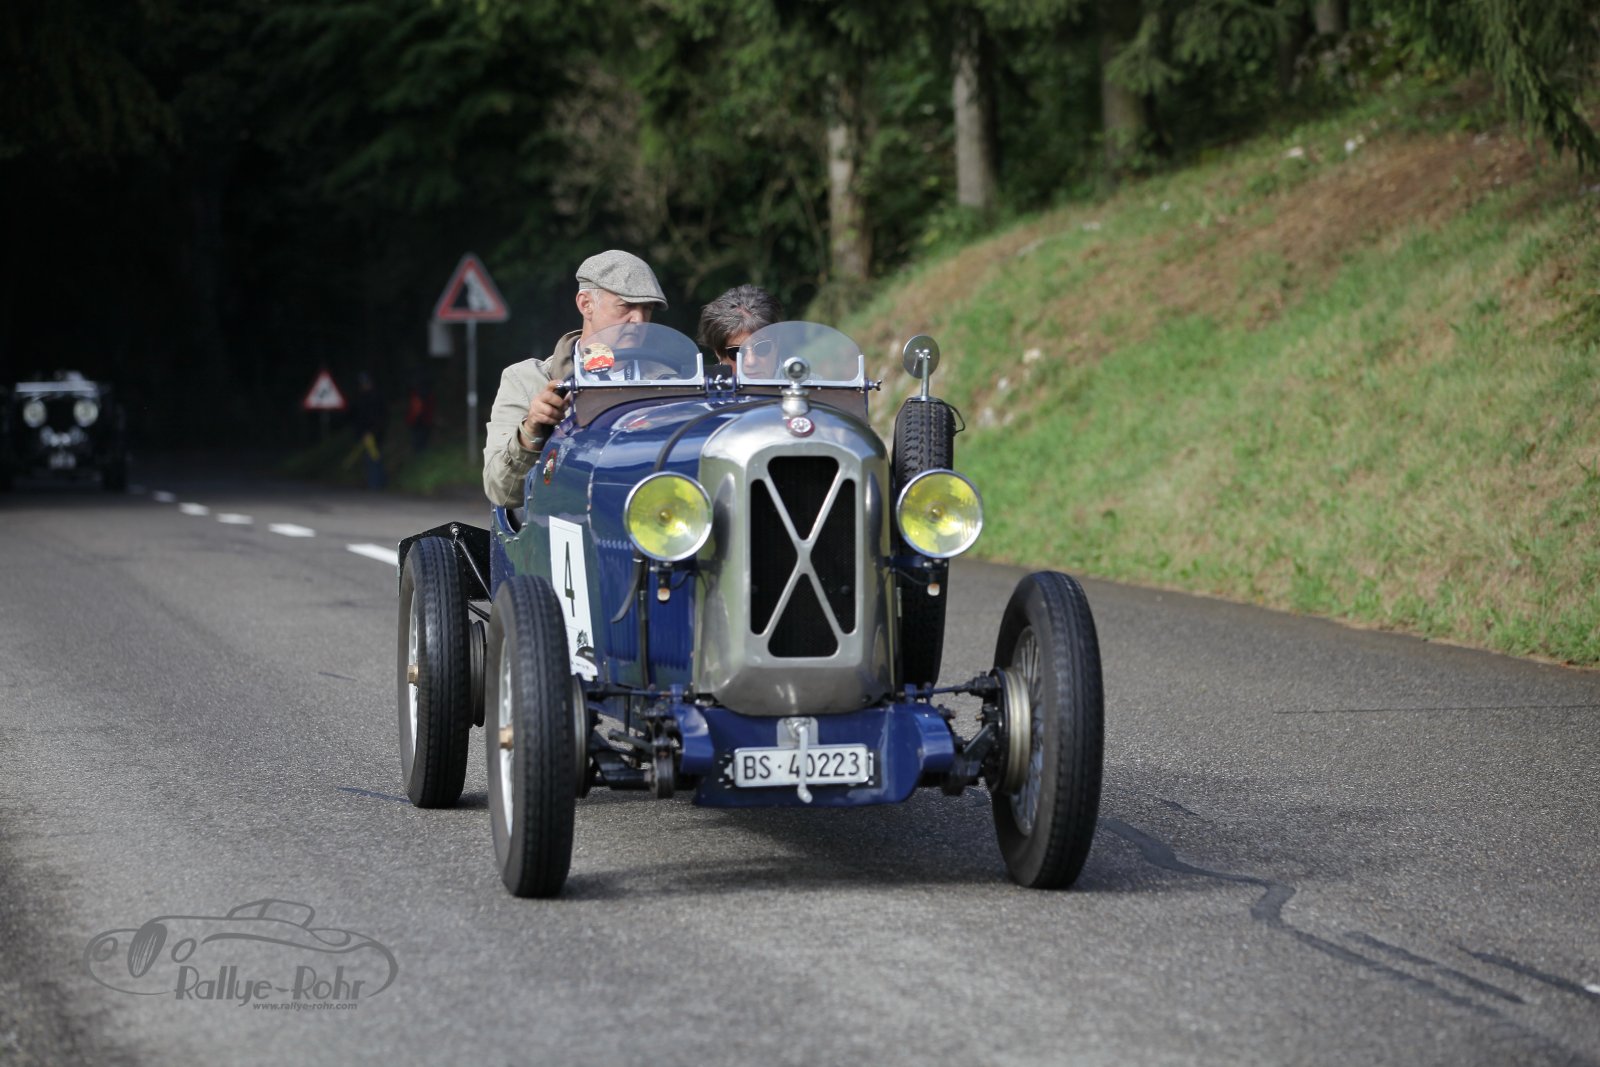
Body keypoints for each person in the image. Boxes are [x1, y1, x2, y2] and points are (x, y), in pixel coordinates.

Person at [482, 250, 667, 506]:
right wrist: (531, 430)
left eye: (647, 309)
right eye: (626, 306)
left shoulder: (670, 383)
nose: (639, 320)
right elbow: (503, 492)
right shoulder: (527, 380)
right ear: (586, 304)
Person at [696, 284, 785, 377]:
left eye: (762, 348)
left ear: (777, 343)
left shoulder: (795, 383)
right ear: (718, 353)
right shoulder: (701, 385)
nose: (751, 361)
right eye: (736, 352)